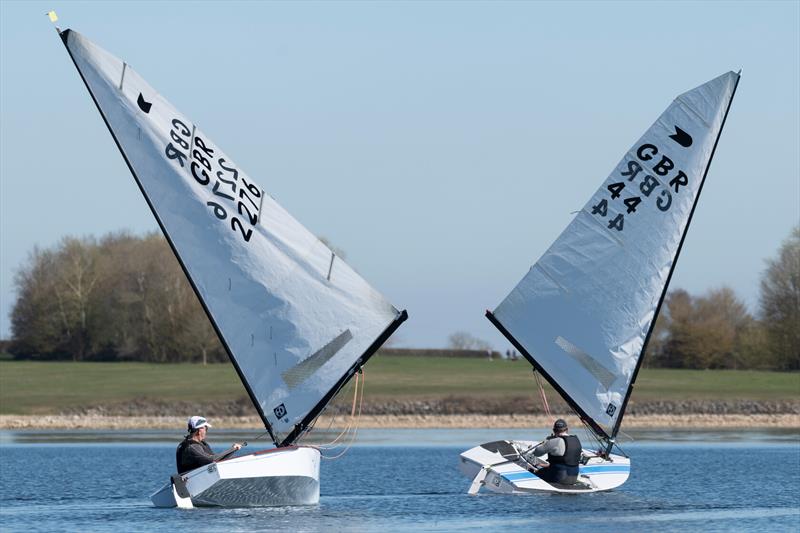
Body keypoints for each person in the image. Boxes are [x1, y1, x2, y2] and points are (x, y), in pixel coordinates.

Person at [176, 416, 243, 474]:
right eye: (206, 428)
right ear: (200, 430)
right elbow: (210, 460)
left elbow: (217, 460)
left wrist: (233, 450)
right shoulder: (191, 447)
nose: (206, 431)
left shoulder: (202, 443)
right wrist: (231, 449)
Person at [529, 418, 582, 485]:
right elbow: (566, 461)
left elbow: (537, 453)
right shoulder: (576, 440)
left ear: (554, 430)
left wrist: (547, 442)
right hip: (573, 478)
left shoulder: (555, 441)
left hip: (558, 478)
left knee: (531, 472)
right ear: (567, 430)